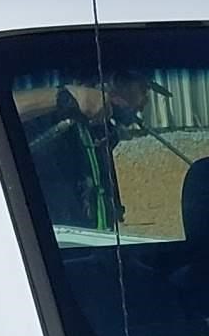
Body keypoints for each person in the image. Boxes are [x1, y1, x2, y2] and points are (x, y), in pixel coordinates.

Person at [13, 69, 162, 231]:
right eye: (143, 88)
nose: (145, 101)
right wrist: (65, 97)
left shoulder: (98, 130)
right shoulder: (49, 117)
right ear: (113, 83)